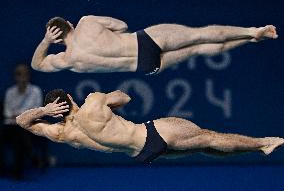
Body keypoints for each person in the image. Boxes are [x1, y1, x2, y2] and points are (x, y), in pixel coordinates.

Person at [16, 89, 284, 163]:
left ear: (54, 112)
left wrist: (42, 111)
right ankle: (263, 142)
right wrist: (108, 101)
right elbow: (125, 96)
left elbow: (21, 121)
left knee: (205, 148)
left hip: (141, 154)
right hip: (151, 132)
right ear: (71, 99)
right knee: (210, 137)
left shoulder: (61, 133)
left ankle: (258, 149)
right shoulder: (93, 103)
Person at [31, 16, 278, 75]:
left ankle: (250, 40)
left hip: (144, 66)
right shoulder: (86, 22)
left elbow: (37, 65)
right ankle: (251, 31)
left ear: (56, 38)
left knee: (198, 50)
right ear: (70, 24)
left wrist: (45, 42)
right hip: (143, 41)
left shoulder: (68, 60)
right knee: (200, 35)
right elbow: (122, 24)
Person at [1, 64, 44, 179]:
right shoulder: (10, 92)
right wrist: (20, 115)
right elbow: (7, 112)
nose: (22, 77)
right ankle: (31, 156)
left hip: (29, 127)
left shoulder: (36, 91)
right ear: (15, 76)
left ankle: (18, 171)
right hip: (10, 127)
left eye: (24, 74)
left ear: (29, 76)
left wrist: (19, 115)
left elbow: (37, 112)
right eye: (19, 74)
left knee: (20, 133)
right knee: (17, 133)